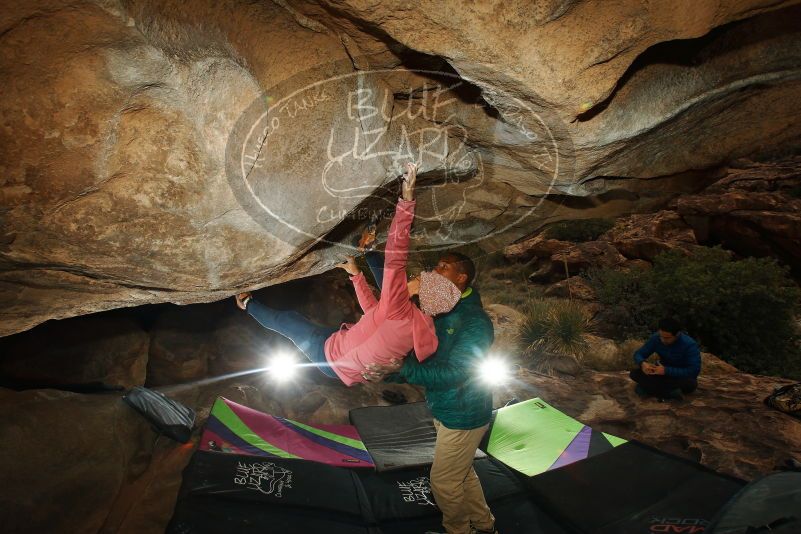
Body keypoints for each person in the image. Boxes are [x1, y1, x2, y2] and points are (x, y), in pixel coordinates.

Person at [234, 163, 463, 386]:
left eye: (418, 280)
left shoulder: (400, 311)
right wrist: (356, 276)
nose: (413, 278)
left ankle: (247, 303)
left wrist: (407, 201)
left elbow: (396, 255)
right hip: (344, 354)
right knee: (332, 324)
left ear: (423, 295)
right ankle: (366, 252)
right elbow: (375, 313)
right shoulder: (420, 327)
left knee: (289, 322)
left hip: (329, 356)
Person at [378, 252, 498, 534]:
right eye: (436, 265)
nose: (435, 270)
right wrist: (394, 371)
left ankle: (459, 531)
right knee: (462, 473)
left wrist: (404, 368)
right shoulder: (440, 308)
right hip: (446, 406)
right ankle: (484, 526)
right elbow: (427, 356)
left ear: (461, 278)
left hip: (463, 414)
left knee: (443, 481)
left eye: (444, 267)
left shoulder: (474, 321)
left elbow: (457, 373)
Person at [629, 317, 701, 400]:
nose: (663, 340)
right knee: (634, 373)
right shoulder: (656, 338)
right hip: (660, 374)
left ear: (677, 335)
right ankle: (669, 393)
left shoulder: (689, 345)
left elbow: (694, 371)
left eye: (667, 338)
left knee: (691, 384)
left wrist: (666, 370)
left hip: (679, 377)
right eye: (661, 336)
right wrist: (643, 363)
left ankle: (648, 389)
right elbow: (638, 354)